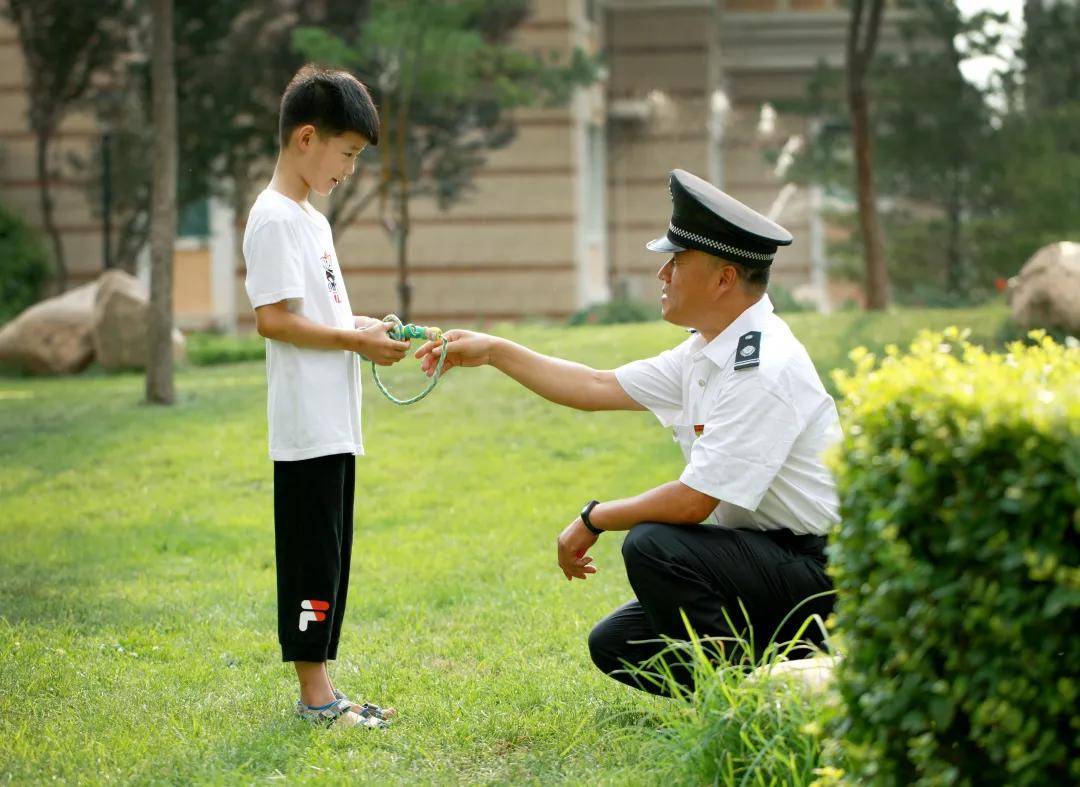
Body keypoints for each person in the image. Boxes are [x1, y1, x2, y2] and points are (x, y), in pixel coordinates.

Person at [415, 169, 841, 696]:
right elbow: (596, 385)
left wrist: (594, 518)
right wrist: (496, 351)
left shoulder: (762, 366)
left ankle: (747, 700)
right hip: (760, 561)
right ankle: (782, 668)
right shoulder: (707, 351)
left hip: (817, 573)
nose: (662, 274)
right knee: (619, 644)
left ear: (724, 278)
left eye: (677, 261)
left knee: (654, 545)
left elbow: (692, 504)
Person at [243, 65, 411, 727]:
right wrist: (355, 344)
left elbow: (319, 311)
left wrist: (361, 327)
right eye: (346, 154)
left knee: (332, 559)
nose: (350, 169)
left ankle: (327, 690)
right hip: (305, 427)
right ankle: (316, 698)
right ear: (306, 138)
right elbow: (274, 319)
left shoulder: (310, 220)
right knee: (312, 564)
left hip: (335, 422)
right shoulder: (274, 219)